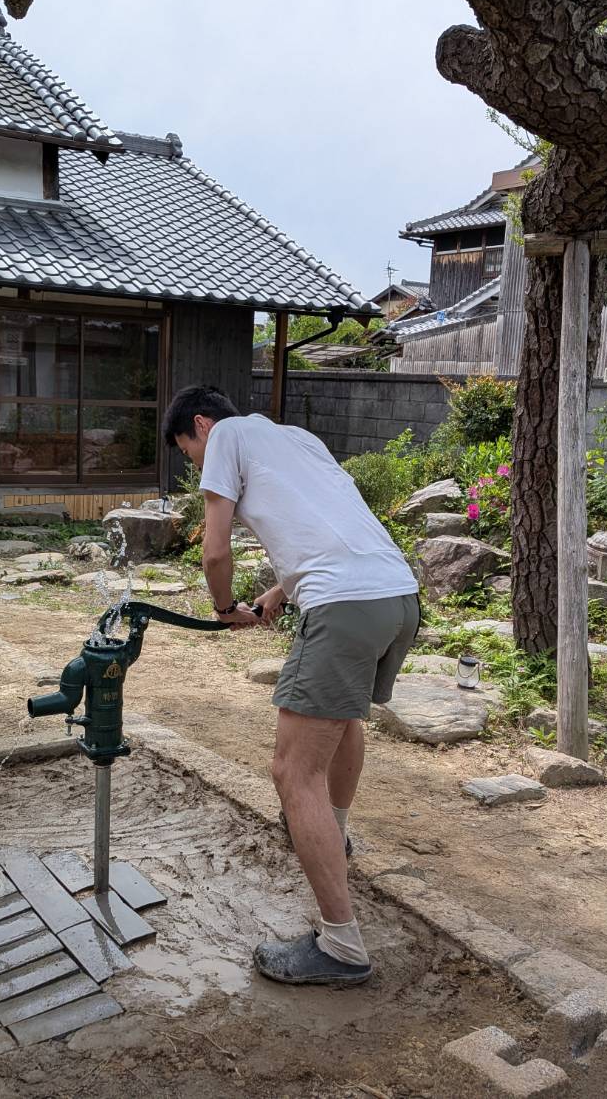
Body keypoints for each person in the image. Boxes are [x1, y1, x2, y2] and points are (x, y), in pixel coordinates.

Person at [163, 384, 419, 986]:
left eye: (186, 452)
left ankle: (340, 947)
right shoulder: (296, 438)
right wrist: (280, 592)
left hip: (343, 607)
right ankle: (338, 832)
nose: (195, 464)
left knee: (290, 771)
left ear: (201, 425)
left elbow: (215, 551)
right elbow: (328, 524)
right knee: (344, 718)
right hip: (397, 595)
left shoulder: (224, 435)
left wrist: (226, 608)